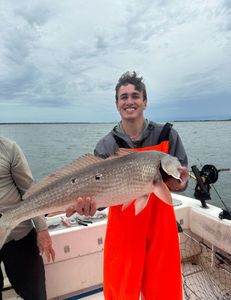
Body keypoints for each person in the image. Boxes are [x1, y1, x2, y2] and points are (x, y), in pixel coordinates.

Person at [93, 71, 188, 300]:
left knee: (164, 291)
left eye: (135, 95)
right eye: (123, 97)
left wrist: (180, 182)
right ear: (117, 105)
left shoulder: (168, 135)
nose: (129, 101)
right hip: (123, 230)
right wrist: (90, 205)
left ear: (145, 102)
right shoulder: (106, 145)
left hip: (161, 229)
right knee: (121, 292)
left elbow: (181, 178)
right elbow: (98, 198)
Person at [0, 137, 55, 300]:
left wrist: (42, 228)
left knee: (35, 294)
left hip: (18, 236)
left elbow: (29, 190)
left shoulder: (9, 148)